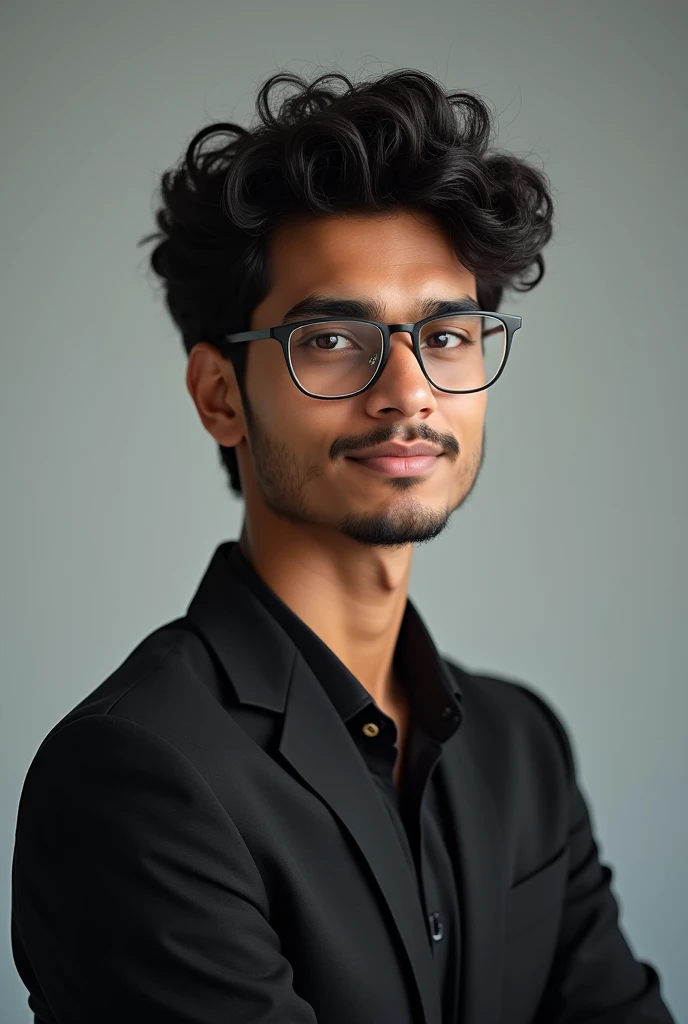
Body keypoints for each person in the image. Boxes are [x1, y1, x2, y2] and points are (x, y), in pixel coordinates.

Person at [11, 68, 675, 1024]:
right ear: (219, 395)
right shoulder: (137, 773)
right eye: (331, 339)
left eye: (446, 334)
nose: (408, 390)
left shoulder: (522, 749)